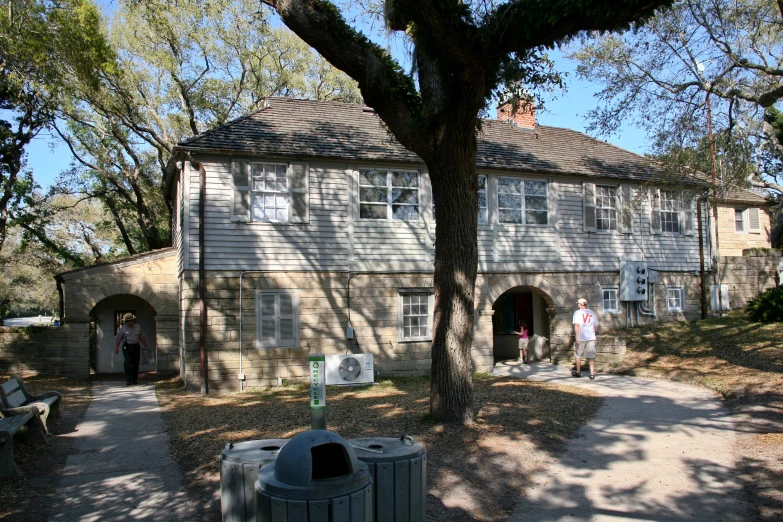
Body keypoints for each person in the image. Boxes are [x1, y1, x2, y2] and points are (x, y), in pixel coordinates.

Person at [114, 313, 149, 385]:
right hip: (127, 347)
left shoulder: (138, 327)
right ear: (126, 321)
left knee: (135, 363)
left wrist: (145, 345)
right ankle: (128, 379)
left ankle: (134, 379)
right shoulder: (123, 328)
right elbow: (119, 338)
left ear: (133, 320)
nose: (129, 322)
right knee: (127, 361)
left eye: (131, 320)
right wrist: (116, 347)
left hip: (136, 346)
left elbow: (141, 337)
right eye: (128, 321)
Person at [572, 298, 599, 380]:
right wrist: (592, 332)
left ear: (580, 304)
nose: (578, 305)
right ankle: (592, 373)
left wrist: (577, 336)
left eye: (578, 304)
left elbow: (577, 325)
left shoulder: (577, 313)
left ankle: (578, 372)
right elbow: (596, 325)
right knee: (591, 355)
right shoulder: (591, 312)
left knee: (578, 354)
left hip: (581, 337)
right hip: (591, 337)